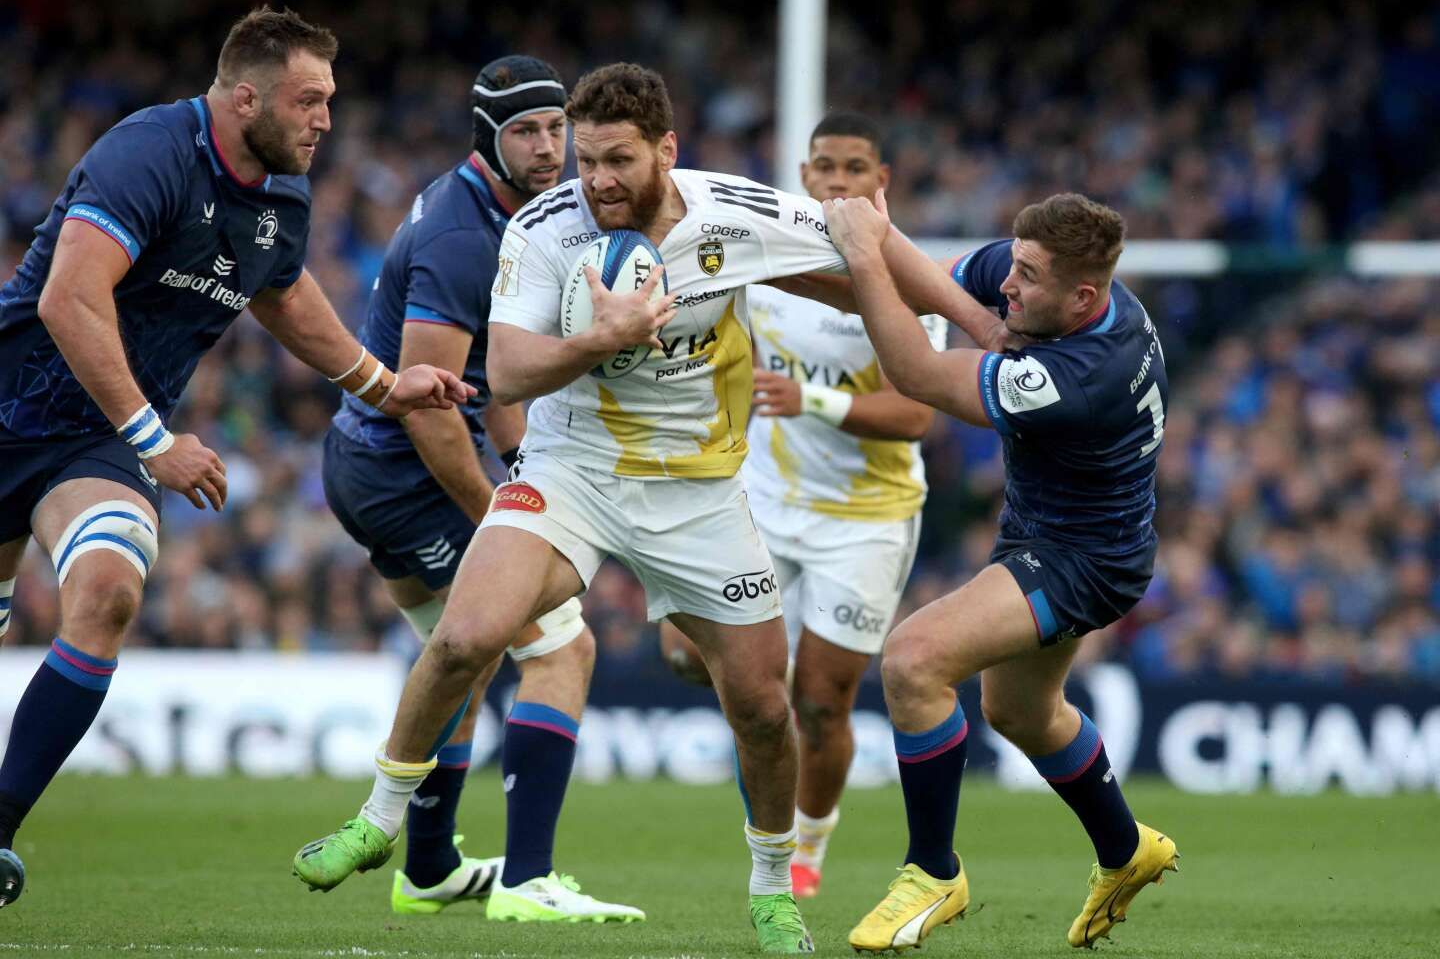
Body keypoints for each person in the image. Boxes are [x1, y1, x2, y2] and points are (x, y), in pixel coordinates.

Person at [292, 61, 878, 954]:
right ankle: (380, 821)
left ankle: (771, 890)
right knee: (466, 637)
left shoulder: (727, 211)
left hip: (698, 491)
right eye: (582, 156)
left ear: (665, 152)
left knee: (761, 707)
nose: (590, 175)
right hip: (571, 467)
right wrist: (600, 338)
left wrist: (981, 319)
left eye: (610, 158)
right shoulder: (533, 225)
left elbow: (866, 253)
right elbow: (509, 376)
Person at [0, 7, 469, 909]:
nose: (326, 119)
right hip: (14, 406)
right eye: (309, 99)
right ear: (244, 96)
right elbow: (68, 297)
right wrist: (158, 440)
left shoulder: (281, 194)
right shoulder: (150, 152)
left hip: (96, 441)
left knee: (108, 592)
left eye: (329, 101)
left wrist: (383, 385)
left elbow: (284, 299)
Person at [317, 54, 639, 922]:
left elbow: (492, 386)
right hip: (404, 471)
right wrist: (502, 511)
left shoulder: (501, 211)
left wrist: (530, 471)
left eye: (554, 130)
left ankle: (425, 866)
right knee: (560, 650)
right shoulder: (466, 236)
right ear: (488, 139)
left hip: (370, 466)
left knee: (467, 655)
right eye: (524, 132)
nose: (546, 149)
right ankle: (529, 880)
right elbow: (428, 407)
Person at [822, 189, 1179, 952]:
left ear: (1080, 295)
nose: (1007, 286)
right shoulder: (1073, 291)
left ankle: (933, 872)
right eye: (1011, 267)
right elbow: (940, 278)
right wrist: (881, 243)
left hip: (1082, 558)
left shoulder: (1080, 375)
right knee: (1017, 712)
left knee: (914, 662)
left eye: (1025, 277)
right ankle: (1126, 849)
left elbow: (917, 375)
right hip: (1055, 533)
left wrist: (863, 252)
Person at [659, 112, 946, 900]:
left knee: (820, 703)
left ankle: (807, 848)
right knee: (687, 653)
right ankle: (762, 742)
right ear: (804, 175)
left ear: (880, 181)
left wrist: (810, 399)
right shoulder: (765, 260)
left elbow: (918, 414)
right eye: (825, 167)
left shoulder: (898, 277)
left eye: (857, 169)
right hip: (765, 498)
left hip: (866, 519)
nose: (839, 182)